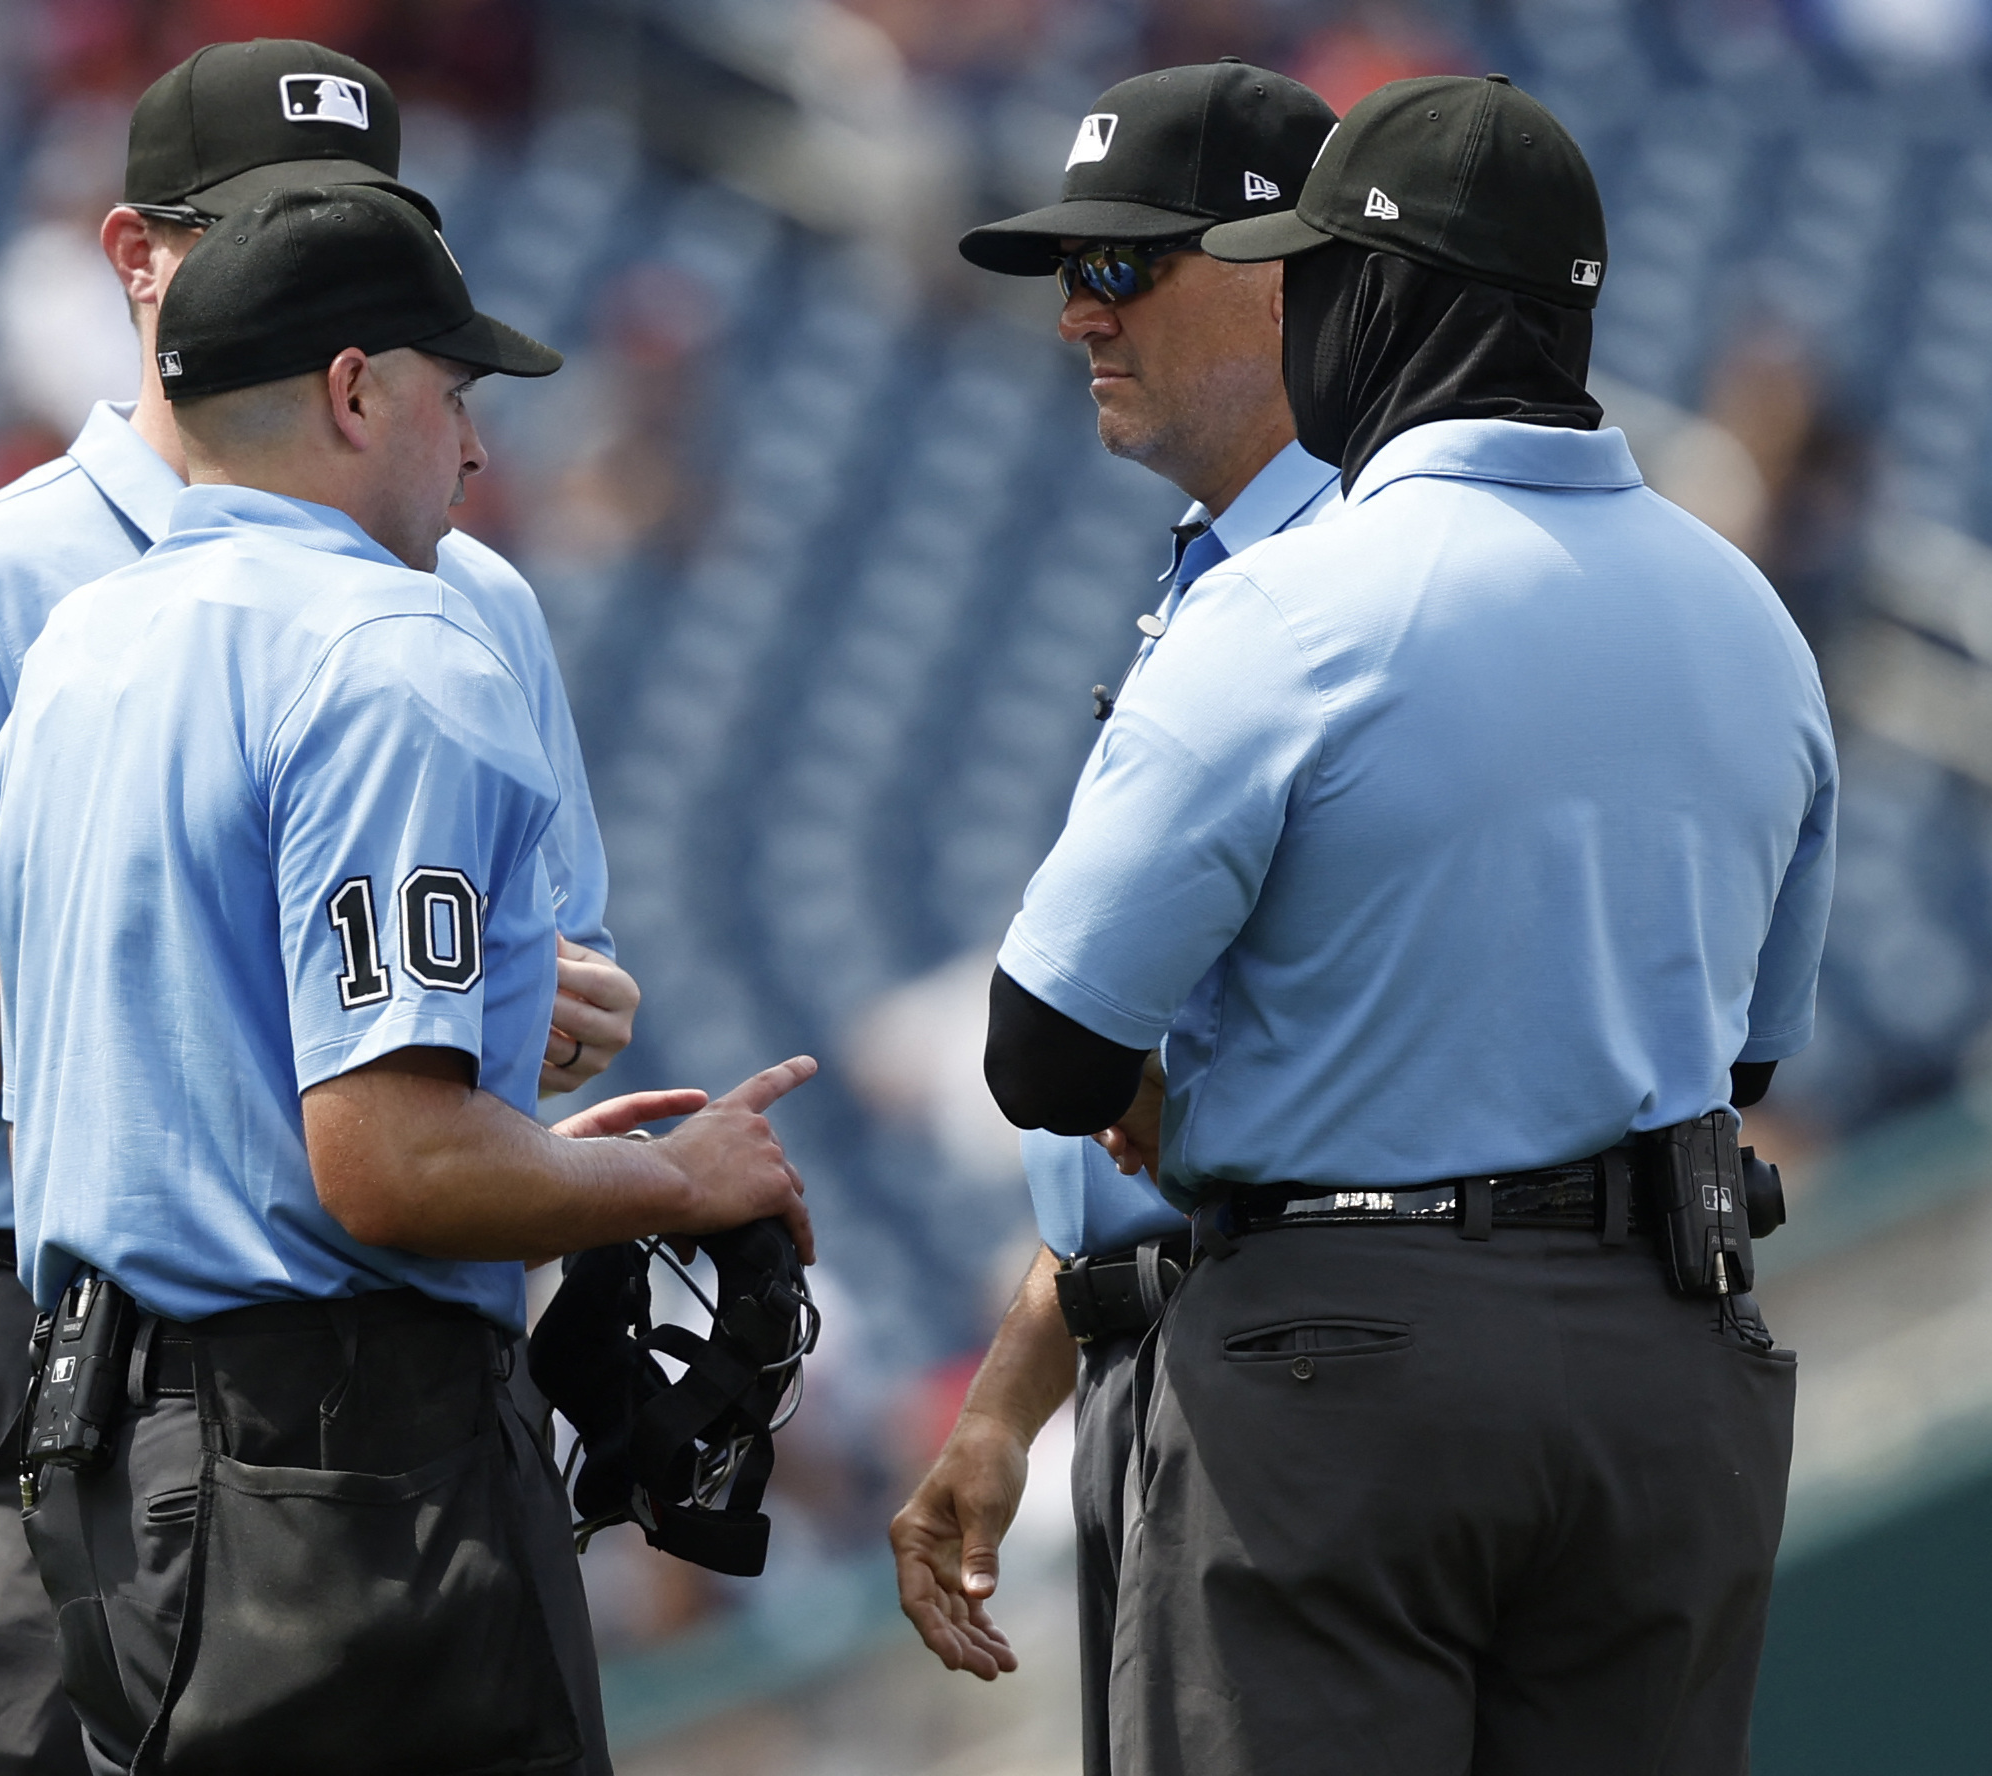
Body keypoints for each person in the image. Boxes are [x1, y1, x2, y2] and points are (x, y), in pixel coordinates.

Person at [0, 40, 642, 1775]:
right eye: (261, 219)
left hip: (391, 1337)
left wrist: (528, 997)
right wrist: (242, 995)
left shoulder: (467, 593)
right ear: (136, 256)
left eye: (350, 221)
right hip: (70, 1324)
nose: (298, 248)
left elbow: (560, 958)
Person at [979, 75, 1835, 1773]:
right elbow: (1741, 1050)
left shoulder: (1292, 608)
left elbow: (1042, 1052)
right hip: (1666, 1365)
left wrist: (1195, 1075)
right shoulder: (1753, 615)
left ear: (1386, 301)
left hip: (1340, 1366)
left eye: (1318, 277)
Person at [0, 184, 815, 1776]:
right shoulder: (391, 651)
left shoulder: (82, 649)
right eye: (456, 392)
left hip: (102, 1444)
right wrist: (665, 1177)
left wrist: (546, 1173)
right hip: (339, 1469)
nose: (478, 449)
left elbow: (228, 1103)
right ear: (357, 391)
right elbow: (387, 1162)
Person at [886, 59, 1337, 1775]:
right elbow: (1143, 1103)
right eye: (1070, 272)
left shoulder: (1362, 580)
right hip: (1181, 1346)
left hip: (1314, 1359)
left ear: (1288, 269)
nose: (1077, 313)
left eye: (1124, 265)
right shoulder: (1216, 568)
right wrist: (1013, 1395)